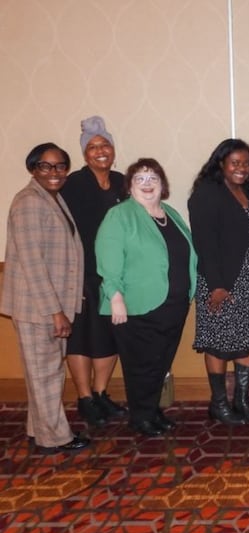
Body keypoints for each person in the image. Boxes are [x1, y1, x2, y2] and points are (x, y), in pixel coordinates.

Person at [96, 158, 197, 437]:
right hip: (137, 306)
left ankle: (151, 410)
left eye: (153, 177)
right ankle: (140, 417)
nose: (147, 183)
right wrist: (115, 296)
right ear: (129, 187)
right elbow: (108, 259)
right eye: (139, 178)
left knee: (160, 362)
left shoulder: (170, 214)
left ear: (163, 185)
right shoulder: (120, 215)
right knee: (141, 364)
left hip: (173, 304)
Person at [0, 143, 90, 454]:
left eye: (60, 166)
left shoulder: (52, 198)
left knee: (42, 371)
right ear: (32, 168)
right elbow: (32, 263)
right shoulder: (28, 203)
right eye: (45, 166)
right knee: (47, 373)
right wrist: (55, 312)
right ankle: (55, 438)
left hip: (47, 306)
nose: (54, 172)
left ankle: (37, 428)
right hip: (38, 308)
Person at [188, 139, 249, 425]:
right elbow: (204, 243)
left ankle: (242, 401)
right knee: (219, 343)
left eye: (246, 163)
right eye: (235, 162)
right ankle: (219, 404)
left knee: (245, 341)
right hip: (220, 282)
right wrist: (217, 285)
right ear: (220, 163)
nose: (241, 168)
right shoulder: (206, 194)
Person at [61, 116, 128, 427]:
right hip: (81, 273)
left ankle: (101, 394)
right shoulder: (73, 184)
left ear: (113, 150)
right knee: (81, 337)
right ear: (84, 154)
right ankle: (85, 397)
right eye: (93, 147)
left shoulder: (121, 182)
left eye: (105, 145)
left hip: (115, 273)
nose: (100, 151)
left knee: (110, 335)